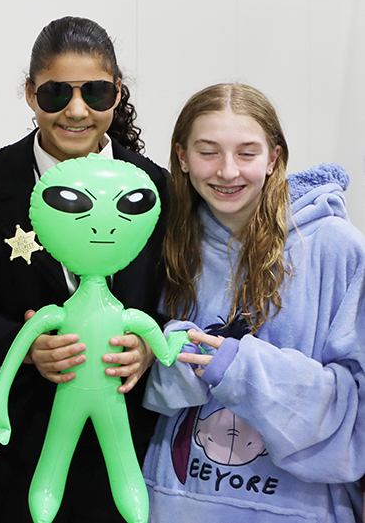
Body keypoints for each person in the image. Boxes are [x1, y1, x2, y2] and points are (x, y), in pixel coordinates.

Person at [0, 16, 169, 522]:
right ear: (30, 94)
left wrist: (147, 350)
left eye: (96, 92)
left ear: (117, 92)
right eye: (55, 93)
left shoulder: (155, 186)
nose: (76, 110)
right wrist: (21, 346)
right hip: (18, 445)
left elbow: (176, 297)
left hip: (125, 445)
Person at [142, 83, 365, 521]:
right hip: (175, 505)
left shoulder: (335, 247)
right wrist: (169, 354)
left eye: (247, 153)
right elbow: (145, 390)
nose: (228, 171)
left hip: (297, 510)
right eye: (208, 152)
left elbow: (355, 414)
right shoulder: (167, 241)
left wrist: (242, 370)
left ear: (273, 158)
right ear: (182, 157)